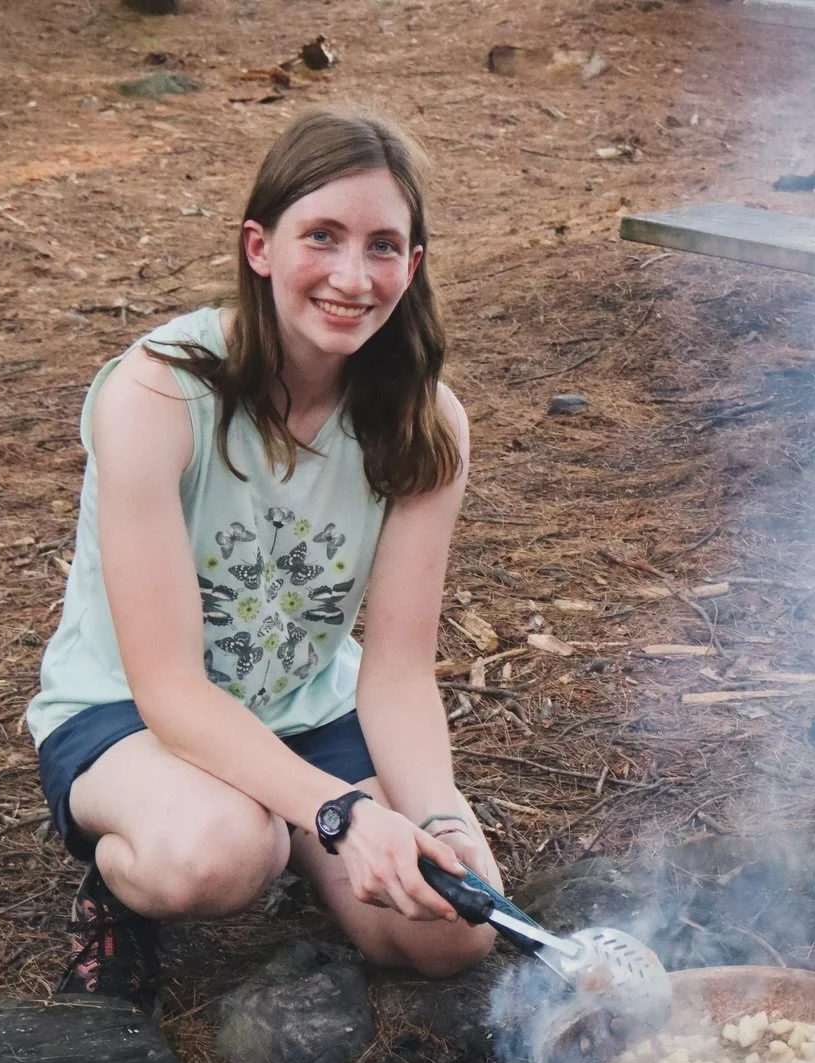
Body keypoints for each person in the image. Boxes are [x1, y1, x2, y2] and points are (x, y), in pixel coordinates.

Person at [26, 109, 500, 1009]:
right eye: (322, 236)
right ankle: (125, 883)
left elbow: (397, 673)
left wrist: (436, 815)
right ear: (259, 246)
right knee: (225, 852)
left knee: (454, 932)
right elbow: (168, 688)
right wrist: (342, 810)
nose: (352, 277)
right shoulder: (157, 392)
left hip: (307, 711)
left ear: (415, 265)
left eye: (384, 246)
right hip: (131, 712)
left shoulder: (426, 422)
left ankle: (302, 829)